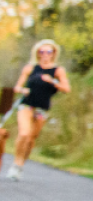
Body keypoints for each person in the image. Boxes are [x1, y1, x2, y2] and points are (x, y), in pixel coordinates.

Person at [6, 40, 71, 181]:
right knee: (24, 133)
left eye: (48, 52)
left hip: (42, 108)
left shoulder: (58, 70)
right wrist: (23, 90)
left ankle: (21, 165)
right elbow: (17, 87)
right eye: (41, 51)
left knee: (31, 139)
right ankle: (15, 164)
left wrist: (52, 81)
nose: (45, 55)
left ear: (54, 53)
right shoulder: (30, 68)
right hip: (27, 105)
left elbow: (66, 89)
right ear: (37, 53)